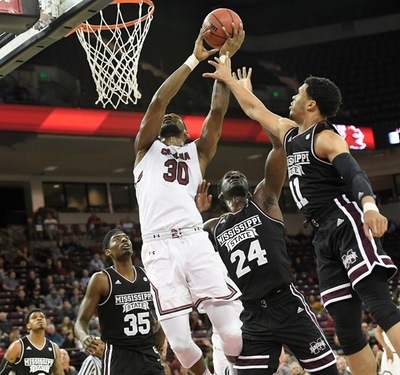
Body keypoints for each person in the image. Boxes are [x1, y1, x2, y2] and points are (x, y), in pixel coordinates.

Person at [203, 57, 400, 375]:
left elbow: (354, 172)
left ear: (311, 104)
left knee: (379, 304)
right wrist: (229, 81)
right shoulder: (288, 133)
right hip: (322, 236)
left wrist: (370, 205)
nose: (292, 97)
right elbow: (255, 110)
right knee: (347, 332)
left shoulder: (326, 137)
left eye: (298, 94)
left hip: (345, 220)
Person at [197, 71, 337, 373]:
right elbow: (187, 244)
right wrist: (197, 213)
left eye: (240, 175)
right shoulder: (213, 227)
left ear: (250, 188)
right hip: (252, 314)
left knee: (328, 371)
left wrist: (250, 101)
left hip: (286, 303)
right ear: (220, 196)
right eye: (228, 176)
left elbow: (278, 146)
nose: (234, 173)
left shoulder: (264, 200)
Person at [133, 23, 245, 375]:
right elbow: (159, 100)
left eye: (176, 121)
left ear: (185, 132)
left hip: (195, 240)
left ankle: (230, 366)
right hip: (159, 248)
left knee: (231, 331)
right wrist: (196, 58)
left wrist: (225, 60)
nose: (169, 117)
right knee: (179, 344)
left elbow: (216, 114)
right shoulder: (144, 151)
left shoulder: (199, 153)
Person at [74, 229, 166, 375]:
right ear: (108, 252)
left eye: (126, 238)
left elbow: (157, 310)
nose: (124, 240)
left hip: (148, 352)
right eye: (117, 239)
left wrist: (161, 331)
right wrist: (84, 337)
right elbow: (81, 322)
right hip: (118, 355)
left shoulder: (147, 274)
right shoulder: (101, 279)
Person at [0, 308, 63, 375]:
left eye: (42, 317)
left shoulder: (54, 347)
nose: (39, 319)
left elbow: (59, 373)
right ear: (28, 325)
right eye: (34, 317)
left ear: (46, 323)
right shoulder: (18, 346)